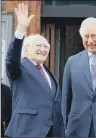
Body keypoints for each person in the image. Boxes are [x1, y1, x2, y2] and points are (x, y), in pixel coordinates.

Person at [5, 3, 64, 137]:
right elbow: (11, 59)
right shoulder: (19, 68)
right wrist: (21, 29)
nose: (43, 49)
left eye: (46, 47)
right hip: (27, 130)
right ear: (25, 50)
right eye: (38, 45)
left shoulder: (48, 73)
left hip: (52, 132)